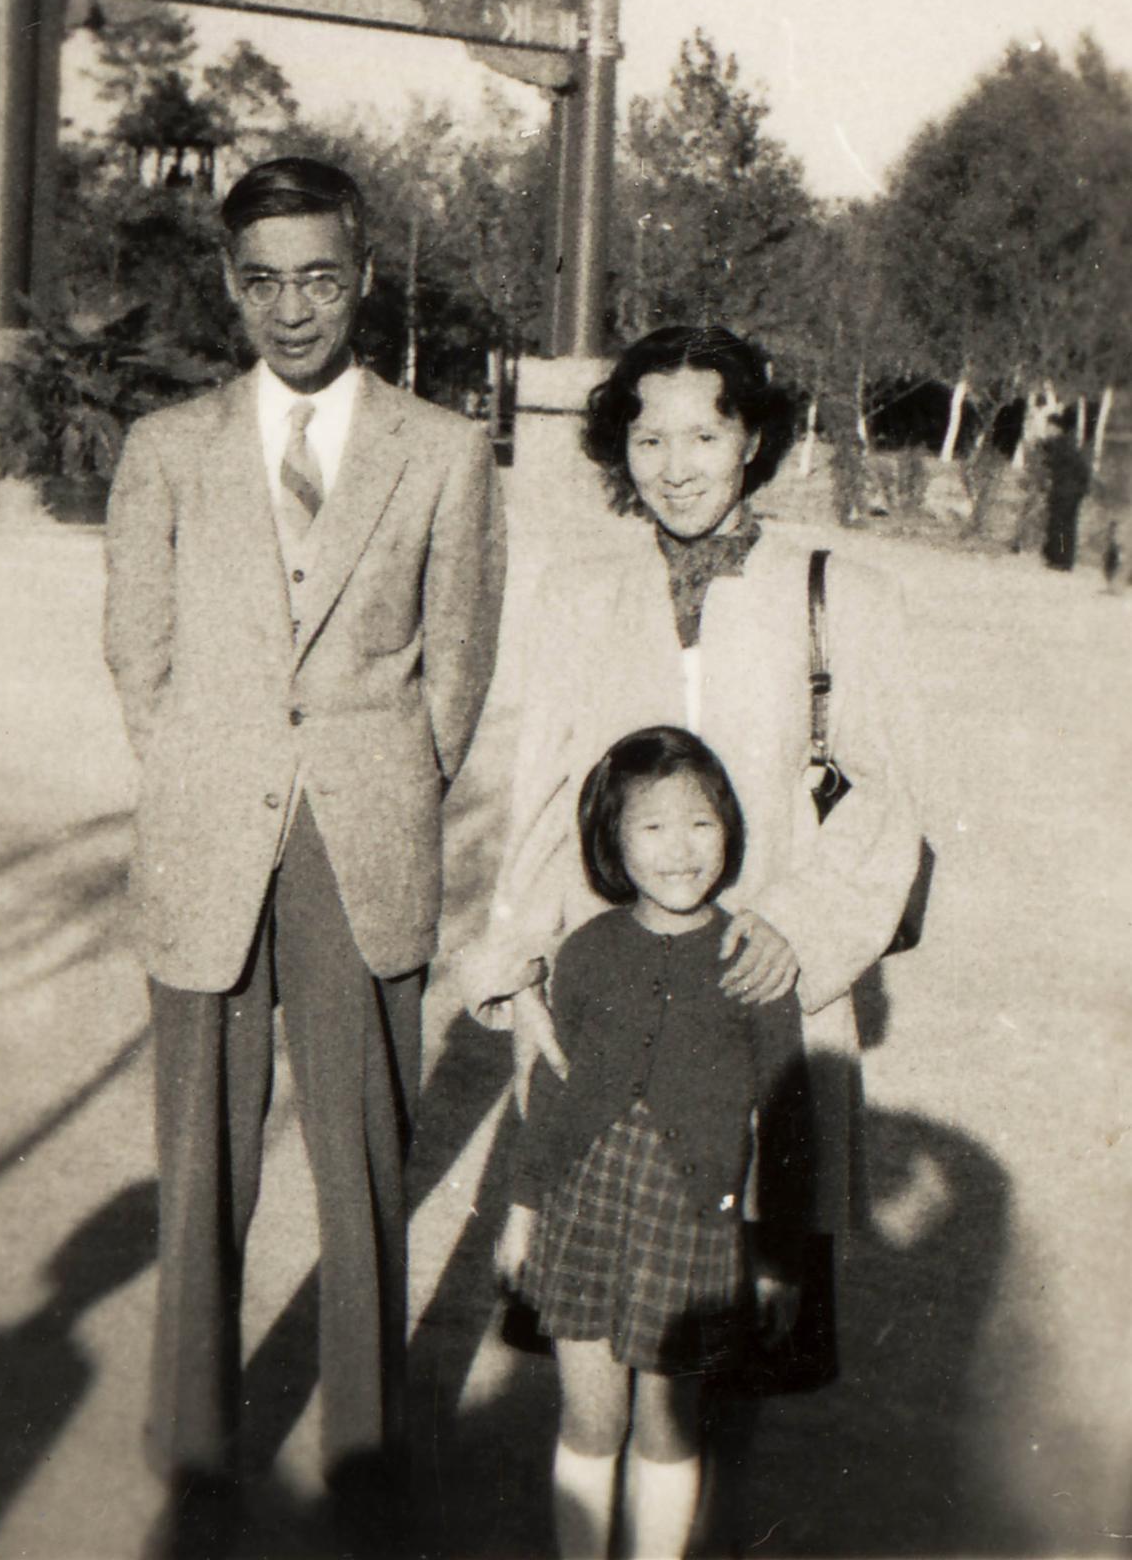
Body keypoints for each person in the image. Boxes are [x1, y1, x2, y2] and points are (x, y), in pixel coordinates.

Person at [103, 157, 505, 1543]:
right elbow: (139, 651)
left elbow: (458, 664)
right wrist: (202, 767)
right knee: (202, 1154)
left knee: (363, 1154)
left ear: (364, 278)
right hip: (207, 828)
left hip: (363, 831)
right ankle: (195, 1437)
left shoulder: (442, 449)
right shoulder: (168, 446)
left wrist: (389, 779)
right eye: (264, 281)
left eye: (320, 279)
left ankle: (365, 1445)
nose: (292, 310)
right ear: (230, 285)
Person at [462, 321, 921, 1389]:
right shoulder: (578, 594)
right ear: (619, 449)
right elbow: (545, 797)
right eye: (649, 439)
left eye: (704, 436)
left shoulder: (840, 596)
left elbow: (885, 800)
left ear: (752, 439)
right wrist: (519, 971)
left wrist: (797, 929)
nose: (676, 467)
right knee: (601, 1365)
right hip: (610, 1008)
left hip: (763, 998)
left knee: (733, 1347)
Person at [495, 727, 813, 1560]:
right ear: (613, 840)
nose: (681, 849)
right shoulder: (588, 952)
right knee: (591, 1418)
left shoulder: (753, 962)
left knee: (669, 1428)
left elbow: (787, 1125)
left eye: (702, 823)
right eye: (654, 826)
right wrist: (522, 1213)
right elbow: (551, 1092)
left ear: (731, 831)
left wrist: (778, 1257)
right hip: (583, 1214)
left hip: (692, 1228)